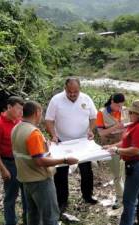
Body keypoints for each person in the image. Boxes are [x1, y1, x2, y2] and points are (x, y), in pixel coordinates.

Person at [11, 100, 78, 225]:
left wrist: (45, 146)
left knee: (33, 214)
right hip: (40, 180)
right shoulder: (33, 133)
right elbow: (39, 161)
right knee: (50, 216)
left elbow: (26, 152)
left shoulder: (16, 128)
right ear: (37, 112)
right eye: (41, 112)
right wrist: (65, 160)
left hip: (26, 179)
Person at [45, 77, 98, 211]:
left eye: (76, 92)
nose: (73, 94)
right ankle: (62, 200)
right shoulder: (56, 100)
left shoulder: (86, 99)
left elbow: (93, 117)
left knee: (86, 170)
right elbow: (49, 120)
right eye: (70, 91)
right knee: (61, 172)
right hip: (63, 141)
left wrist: (91, 130)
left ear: (80, 89)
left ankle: (87, 195)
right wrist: (54, 135)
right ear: (65, 88)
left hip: (82, 141)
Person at [105, 100, 139, 225]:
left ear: (138, 114)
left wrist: (116, 151)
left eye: (131, 112)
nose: (129, 113)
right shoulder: (134, 125)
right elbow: (126, 142)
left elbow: (136, 150)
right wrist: (112, 146)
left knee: (129, 200)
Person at [0, 96, 27, 225]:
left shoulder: (19, 121)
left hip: (23, 161)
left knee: (27, 194)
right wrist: (3, 169)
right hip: (9, 163)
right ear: (9, 107)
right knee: (11, 196)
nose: (21, 113)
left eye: (22, 110)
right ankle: (10, 222)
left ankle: (28, 219)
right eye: (18, 109)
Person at [96, 93, 126, 209]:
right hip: (110, 145)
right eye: (118, 106)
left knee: (125, 171)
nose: (120, 108)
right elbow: (101, 133)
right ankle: (119, 198)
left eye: (121, 106)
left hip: (124, 143)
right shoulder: (101, 113)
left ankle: (127, 196)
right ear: (112, 102)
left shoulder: (124, 110)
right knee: (116, 173)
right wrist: (116, 127)